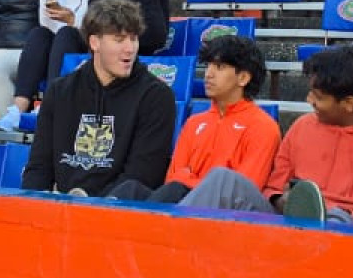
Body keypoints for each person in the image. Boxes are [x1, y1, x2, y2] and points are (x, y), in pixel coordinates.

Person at [176, 44, 353, 229]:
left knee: (336, 220)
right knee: (223, 180)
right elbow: (271, 190)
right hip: (287, 226)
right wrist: (281, 200)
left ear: (349, 104)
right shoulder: (302, 127)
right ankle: (167, 247)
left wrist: (349, 218)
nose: (309, 102)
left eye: (318, 97)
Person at [22, 0, 177, 198]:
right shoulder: (60, 91)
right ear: (94, 42)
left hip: (117, 214)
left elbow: (142, 176)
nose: (130, 49)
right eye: (119, 39)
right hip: (60, 208)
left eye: (134, 38)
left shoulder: (157, 97)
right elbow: (39, 167)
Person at [107, 33, 281, 204]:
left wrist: (189, 180)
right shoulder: (195, 122)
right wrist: (186, 182)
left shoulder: (263, 127)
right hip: (181, 201)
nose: (208, 74)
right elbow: (172, 177)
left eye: (219, 67)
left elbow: (241, 192)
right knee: (129, 189)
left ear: (243, 78)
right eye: (208, 66)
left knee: (177, 190)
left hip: (222, 216)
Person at [2, 0, 96, 129]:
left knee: (66, 33)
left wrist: (73, 20)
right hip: (64, 39)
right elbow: (47, 23)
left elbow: (101, 20)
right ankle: (18, 109)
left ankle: (49, 105)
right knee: (39, 34)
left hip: (89, 40)